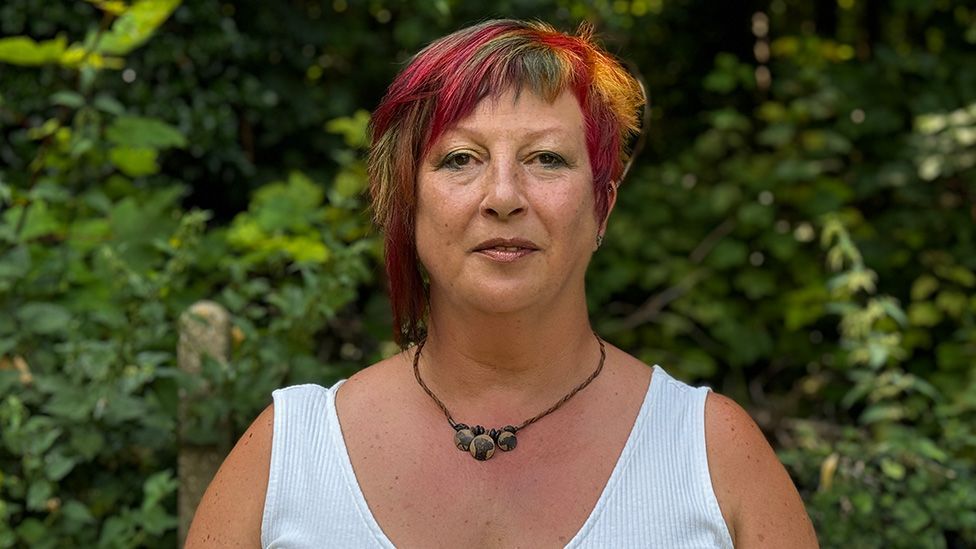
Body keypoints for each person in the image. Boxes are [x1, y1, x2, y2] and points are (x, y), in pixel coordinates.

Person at [186, 19, 818, 548]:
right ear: (406, 203)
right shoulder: (287, 457)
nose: (504, 196)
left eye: (547, 158)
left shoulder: (714, 457)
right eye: (461, 159)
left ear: (603, 206)